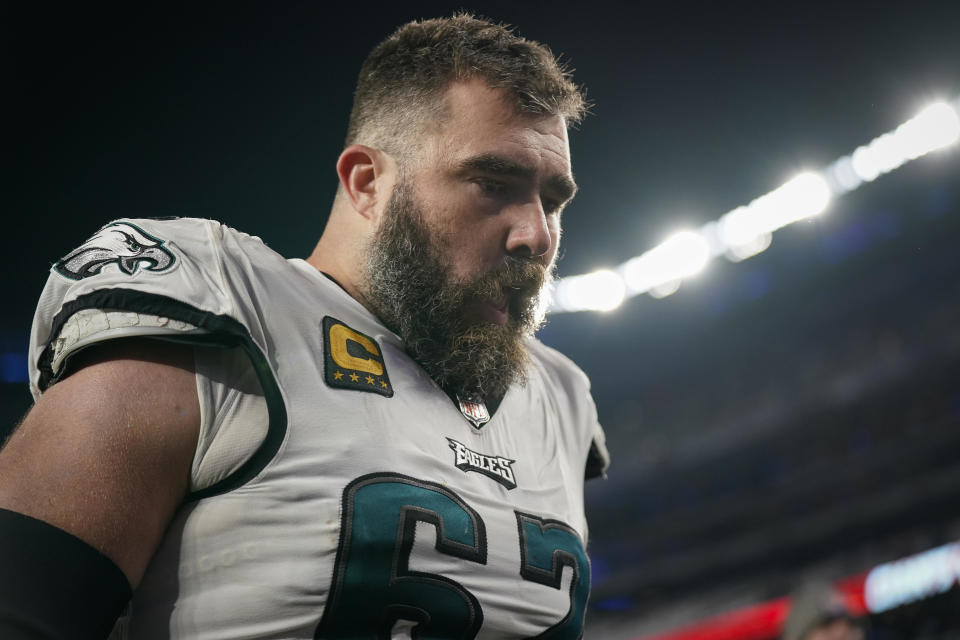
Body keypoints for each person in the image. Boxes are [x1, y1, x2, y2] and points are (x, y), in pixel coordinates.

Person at [0, 13, 608, 639]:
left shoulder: (558, 398)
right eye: (492, 184)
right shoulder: (230, 317)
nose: (536, 233)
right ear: (367, 182)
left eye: (553, 200)